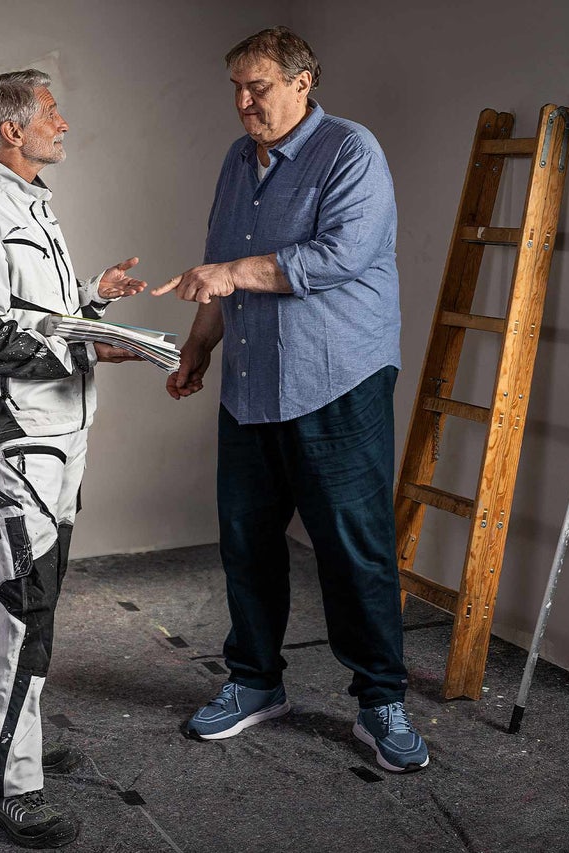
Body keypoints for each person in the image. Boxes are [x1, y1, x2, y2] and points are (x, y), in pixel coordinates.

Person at [152, 27, 429, 773]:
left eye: (259, 87)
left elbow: (341, 255)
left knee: (353, 549)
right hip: (250, 387)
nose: (244, 103)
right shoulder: (238, 161)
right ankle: (254, 683)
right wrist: (198, 347)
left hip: (336, 381)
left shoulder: (350, 151)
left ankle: (380, 702)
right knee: (245, 542)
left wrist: (232, 274)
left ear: (303, 82)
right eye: (236, 89)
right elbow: (218, 270)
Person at [0, 69, 146, 848]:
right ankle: (8, 788)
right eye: (51, 113)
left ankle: (8, 744)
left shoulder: (28, 203)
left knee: (39, 603)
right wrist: (81, 337)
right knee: (27, 609)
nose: (63, 122)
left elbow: (34, 314)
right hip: (20, 442)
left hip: (61, 437)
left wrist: (94, 301)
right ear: (11, 130)